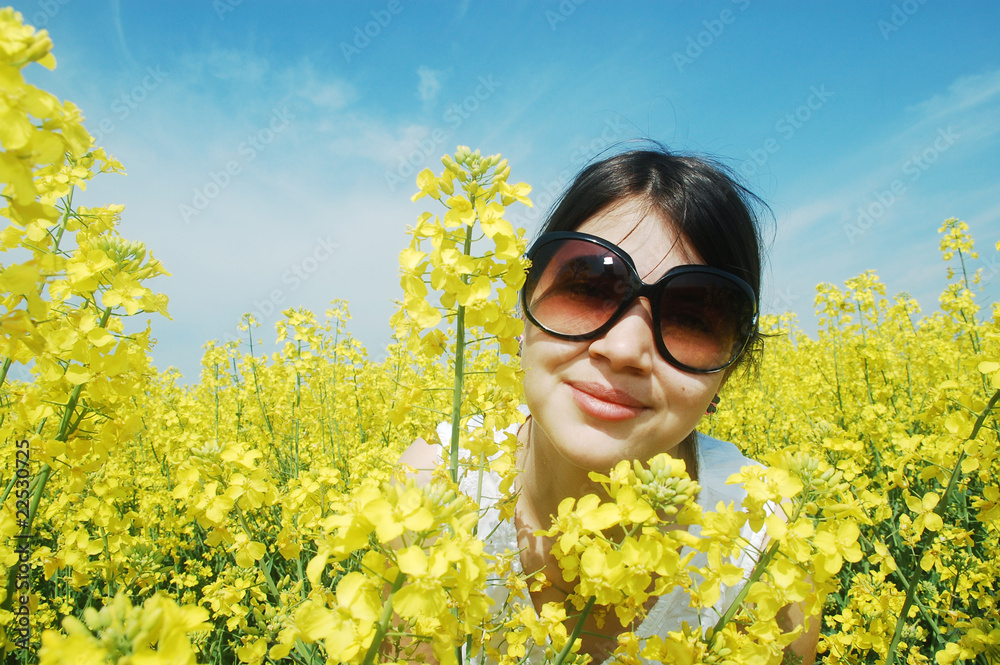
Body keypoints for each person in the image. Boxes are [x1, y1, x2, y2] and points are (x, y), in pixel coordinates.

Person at [400, 145, 820, 664]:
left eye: (693, 318)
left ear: (726, 372)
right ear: (521, 306)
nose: (623, 349)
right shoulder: (428, 489)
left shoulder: (767, 542)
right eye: (588, 287)